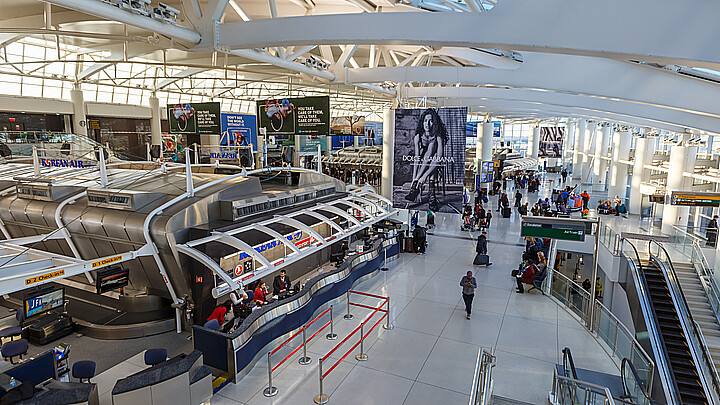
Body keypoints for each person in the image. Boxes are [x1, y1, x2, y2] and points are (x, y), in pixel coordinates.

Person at [405, 109, 448, 202]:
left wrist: (424, 176)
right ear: (422, 122)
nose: (427, 124)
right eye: (425, 121)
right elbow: (416, 159)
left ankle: (421, 188)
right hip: (425, 158)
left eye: (430, 121)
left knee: (432, 148)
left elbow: (440, 157)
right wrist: (414, 179)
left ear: (435, 123)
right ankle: (430, 194)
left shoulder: (438, 136)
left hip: (435, 159)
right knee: (427, 153)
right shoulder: (418, 136)